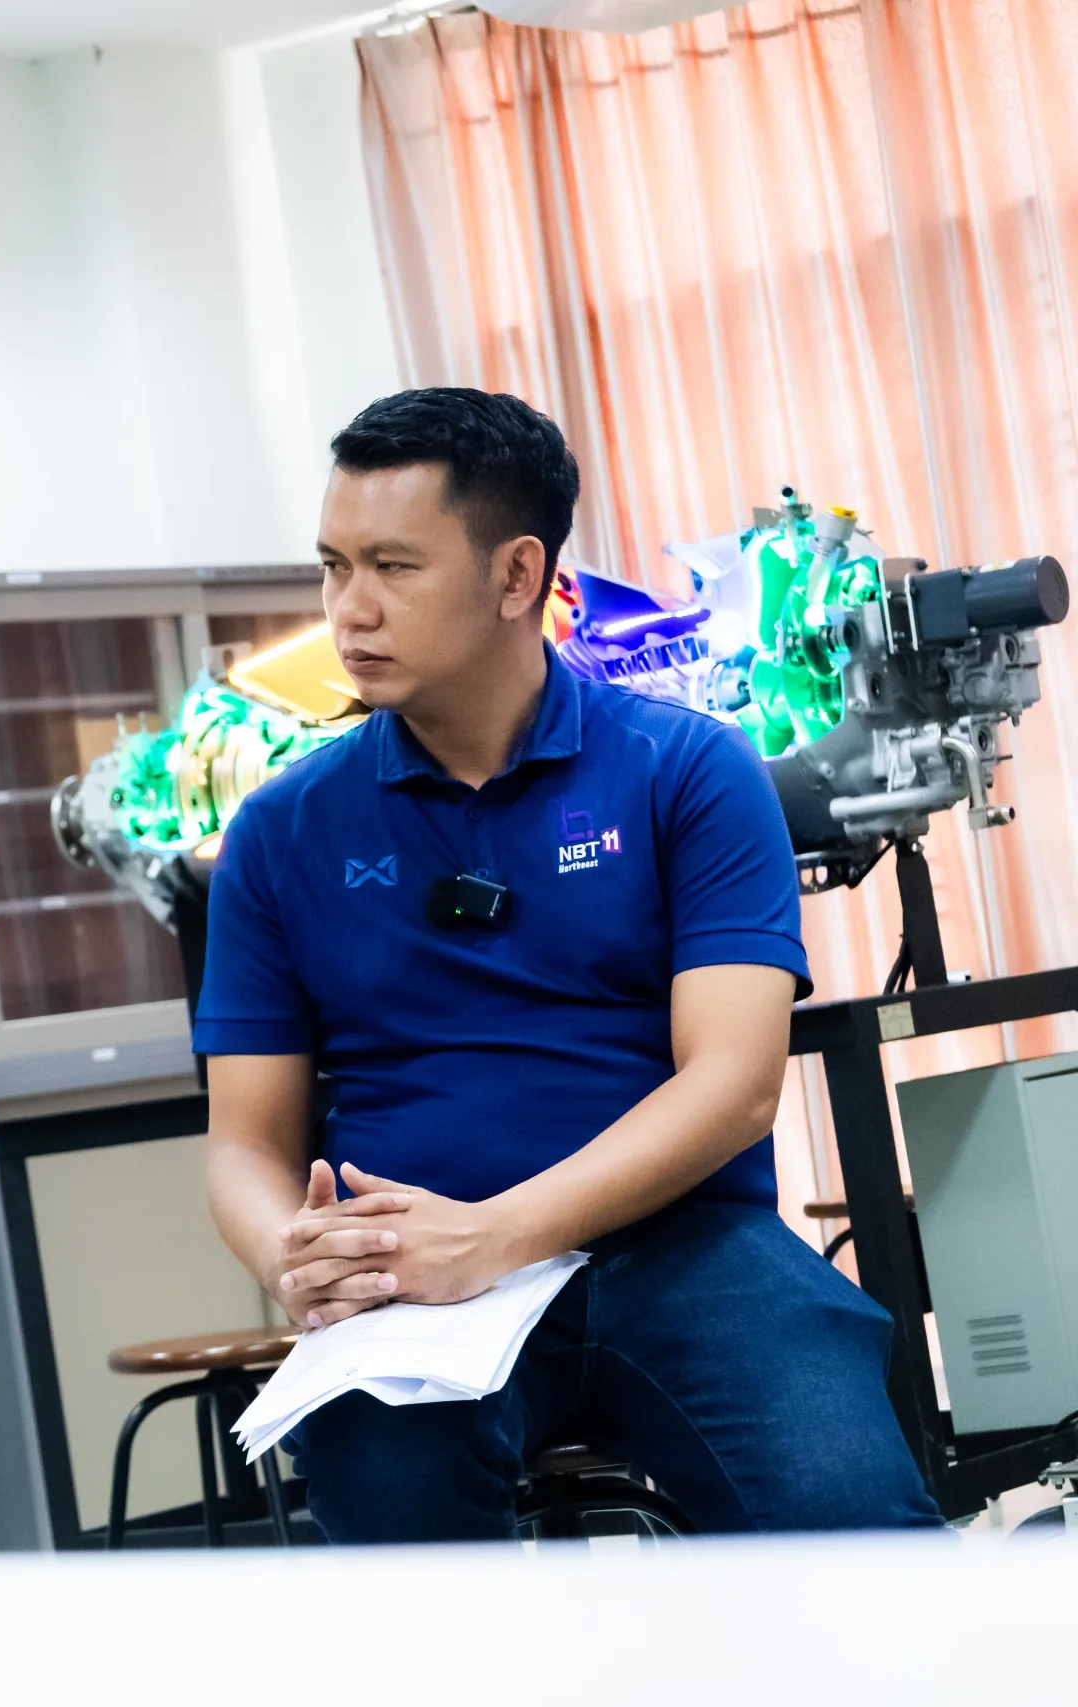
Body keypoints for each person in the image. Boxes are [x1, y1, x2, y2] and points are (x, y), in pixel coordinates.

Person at [199, 388, 943, 1540]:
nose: (349, 611)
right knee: (386, 1492)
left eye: (393, 567)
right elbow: (245, 1142)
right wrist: (294, 1256)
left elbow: (734, 1085)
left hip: (688, 1250)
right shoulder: (279, 831)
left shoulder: (685, 771)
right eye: (334, 567)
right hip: (411, 1279)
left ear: (516, 575)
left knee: (844, 1504)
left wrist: (493, 1237)